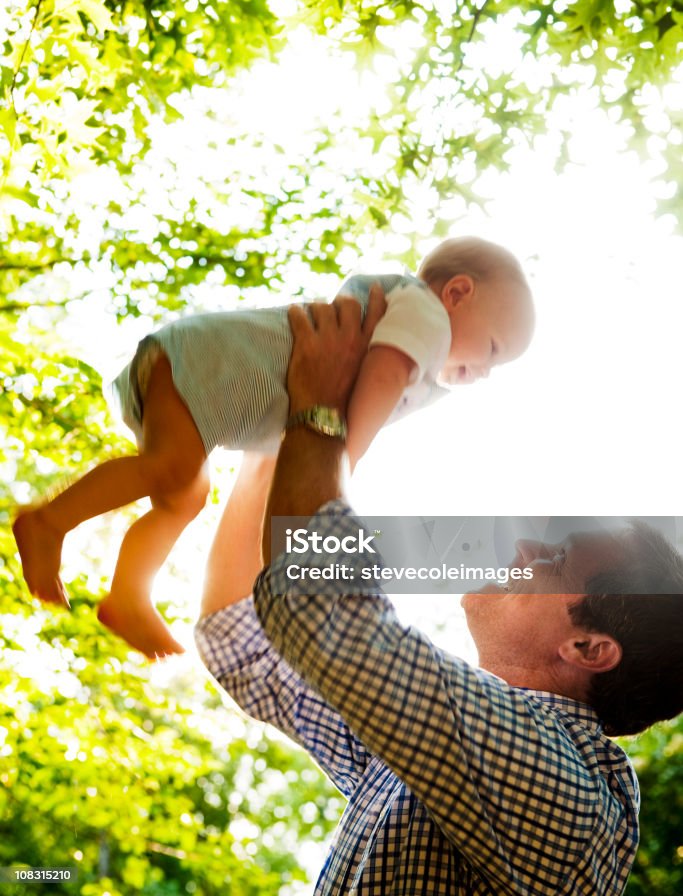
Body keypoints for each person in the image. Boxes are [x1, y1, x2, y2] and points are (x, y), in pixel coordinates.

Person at [194, 292, 683, 896]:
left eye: (556, 558)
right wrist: (271, 448)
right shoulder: (444, 756)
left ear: (588, 647)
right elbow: (243, 642)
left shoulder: (568, 785)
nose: (526, 546)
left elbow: (325, 619)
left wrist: (316, 407)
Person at [13, 237, 534, 658]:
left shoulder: (424, 334)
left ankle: (128, 591)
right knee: (172, 471)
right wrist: (342, 458)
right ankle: (48, 521)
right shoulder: (427, 320)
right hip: (214, 364)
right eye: (492, 349)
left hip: (211, 378)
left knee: (184, 493)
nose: (485, 371)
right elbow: (383, 376)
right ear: (458, 293)